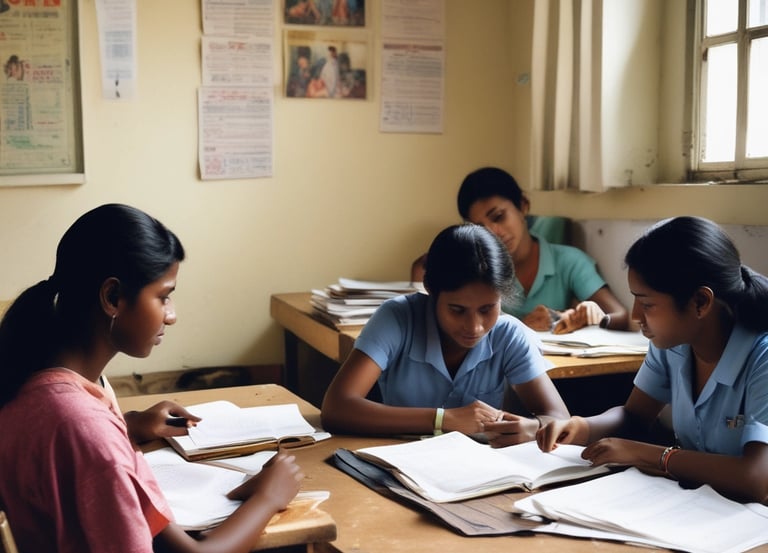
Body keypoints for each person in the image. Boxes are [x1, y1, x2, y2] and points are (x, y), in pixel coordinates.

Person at [0, 204, 304, 552]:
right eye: (163, 296)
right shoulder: (85, 429)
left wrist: (130, 424)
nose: (171, 316)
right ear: (112, 297)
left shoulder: (36, 372)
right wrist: (268, 497)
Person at [536, 216, 768, 504]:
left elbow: (757, 478)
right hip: (701, 506)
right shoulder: (673, 342)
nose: (635, 316)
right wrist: (582, 426)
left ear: (700, 302)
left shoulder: (762, 355)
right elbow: (633, 416)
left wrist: (653, 455)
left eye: (647, 304)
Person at [321, 223, 570, 447]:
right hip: (399, 464)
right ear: (431, 290)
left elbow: (559, 418)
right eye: (457, 310)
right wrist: (444, 419)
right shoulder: (397, 318)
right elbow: (337, 408)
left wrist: (533, 427)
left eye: (487, 309)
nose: (474, 327)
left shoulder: (508, 334)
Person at [411, 167, 629, 334]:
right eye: (480, 228)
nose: (493, 232)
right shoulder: (474, 268)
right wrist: (522, 326)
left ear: (523, 206)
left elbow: (619, 314)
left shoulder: (568, 260)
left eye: (498, 217)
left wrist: (581, 318)